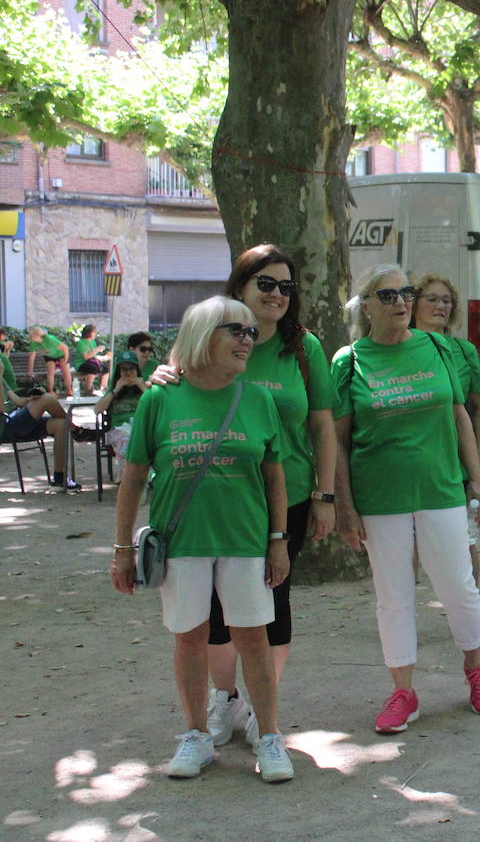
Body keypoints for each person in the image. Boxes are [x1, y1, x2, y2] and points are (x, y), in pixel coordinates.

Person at [108, 296, 294, 782]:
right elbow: (132, 478)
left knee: (253, 637)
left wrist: (278, 539)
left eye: (251, 333)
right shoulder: (159, 398)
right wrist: (122, 550)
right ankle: (196, 737)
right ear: (202, 335)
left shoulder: (257, 399)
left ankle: (270, 738)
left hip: (246, 540)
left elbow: (275, 477)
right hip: (181, 539)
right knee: (189, 638)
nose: (247, 340)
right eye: (236, 330)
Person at [333, 265, 480, 733]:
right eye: (387, 296)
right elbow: (339, 441)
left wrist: (478, 481)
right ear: (365, 306)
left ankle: (477, 670)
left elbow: (460, 414)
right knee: (393, 596)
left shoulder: (439, 348)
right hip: (380, 497)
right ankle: (403, 691)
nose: (401, 302)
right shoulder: (349, 361)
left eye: (406, 293)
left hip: (440, 488)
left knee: (459, 586)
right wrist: (343, 504)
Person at [411, 272, 480, 644]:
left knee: (465, 542)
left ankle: (473, 616)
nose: (440, 305)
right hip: (412, 461)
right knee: (409, 544)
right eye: (431, 298)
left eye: (446, 300)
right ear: (413, 305)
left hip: (455, 464)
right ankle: (404, 618)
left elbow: (475, 408)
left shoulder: (464, 352)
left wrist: (475, 463)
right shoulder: (400, 347)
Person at [1, 349, 82, 490]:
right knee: (47, 399)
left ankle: (58, 477)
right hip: (5, 427)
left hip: (16, 419)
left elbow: (18, 401)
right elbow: (1, 409)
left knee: (61, 424)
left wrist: (31, 399)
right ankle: (76, 429)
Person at [92, 350, 148, 482]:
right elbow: (97, 410)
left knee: (143, 441)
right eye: (124, 370)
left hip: (141, 428)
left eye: (131, 369)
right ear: (119, 372)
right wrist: (116, 391)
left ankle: (128, 478)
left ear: (137, 370)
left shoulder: (145, 389)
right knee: (126, 442)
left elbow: (158, 406)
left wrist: (142, 386)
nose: (128, 373)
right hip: (119, 430)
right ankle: (132, 479)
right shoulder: (114, 389)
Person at [25, 325, 73, 395]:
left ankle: (69, 390)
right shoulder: (33, 343)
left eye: (31, 336)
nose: (30, 338)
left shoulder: (49, 339)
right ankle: (51, 391)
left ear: (38, 336)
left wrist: (65, 360)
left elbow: (65, 348)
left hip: (61, 354)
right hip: (49, 356)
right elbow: (32, 358)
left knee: (66, 370)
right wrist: (30, 371)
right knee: (50, 371)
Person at [74, 324, 110, 393]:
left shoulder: (93, 342)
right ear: (88, 333)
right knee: (92, 368)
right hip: (81, 363)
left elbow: (94, 357)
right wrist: (97, 349)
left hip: (91, 362)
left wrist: (104, 357)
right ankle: (88, 390)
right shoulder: (81, 343)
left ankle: (103, 388)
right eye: (94, 332)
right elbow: (86, 357)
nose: (95, 334)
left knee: (105, 368)